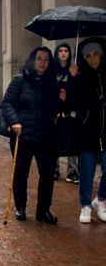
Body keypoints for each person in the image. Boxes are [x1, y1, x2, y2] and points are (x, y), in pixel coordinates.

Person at [0, 46, 60, 224]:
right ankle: (21, 207)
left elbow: (54, 108)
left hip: (45, 135)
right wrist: (15, 121)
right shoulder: (20, 79)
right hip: (22, 135)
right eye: (39, 59)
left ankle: (43, 210)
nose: (42, 63)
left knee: (47, 173)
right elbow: (7, 103)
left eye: (46, 59)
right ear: (33, 60)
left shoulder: (51, 82)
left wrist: (60, 99)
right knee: (21, 173)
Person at [74, 38, 106, 224]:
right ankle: (85, 205)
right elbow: (71, 102)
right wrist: (72, 78)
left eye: (96, 55)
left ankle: (100, 199)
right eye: (88, 56)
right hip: (87, 132)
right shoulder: (80, 77)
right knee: (86, 171)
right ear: (84, 58)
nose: (93, 59)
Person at [53, 43, 79, 183]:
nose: (63, 53)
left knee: (72, 141)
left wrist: (74, 77)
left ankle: (72, 171)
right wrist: (57, 96)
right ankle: (55, 169)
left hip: (70, 111)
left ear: (69, 53)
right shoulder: (52, 71)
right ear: (57, 54)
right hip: (55, 112)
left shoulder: (74, 70)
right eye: (60, 51)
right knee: (54, 141)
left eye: (66, 51)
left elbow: (78, 92)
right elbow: (47, 91)